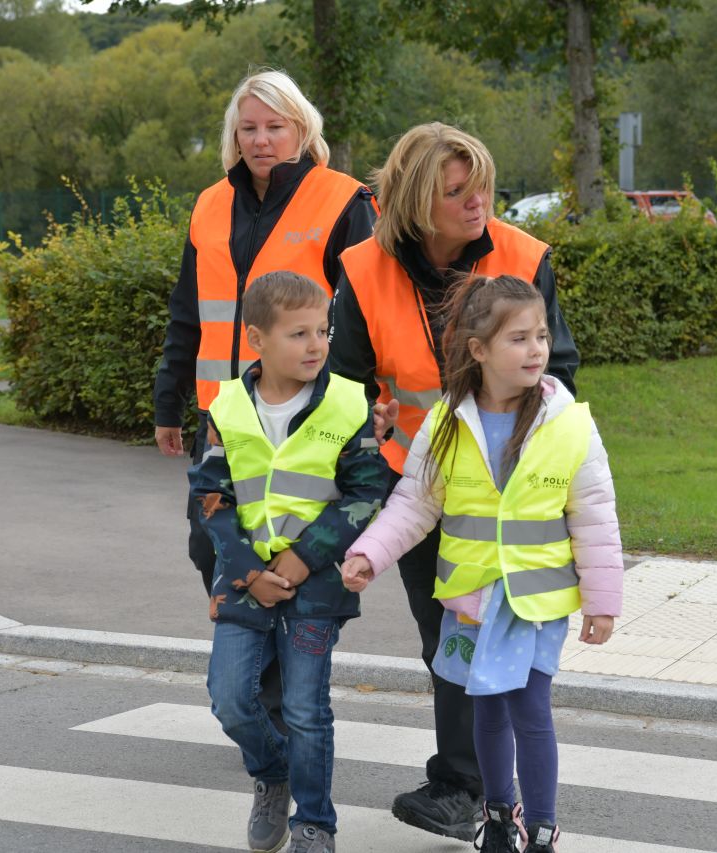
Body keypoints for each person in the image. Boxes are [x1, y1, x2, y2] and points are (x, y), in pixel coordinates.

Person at [327, 122, 580, 840]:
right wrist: (360, 450)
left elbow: (556, 369)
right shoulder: (364, 267)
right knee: (449, 635)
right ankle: (469, 786)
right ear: (414, 201)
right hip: (419, 479)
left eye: (484, 188)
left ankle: (472, 788)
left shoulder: (522, 256)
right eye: (457, 193)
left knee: (488, 636)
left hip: (509, 489)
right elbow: (345, 388)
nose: (479, 205)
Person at [340, 274, 621, 853]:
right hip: (471, 598)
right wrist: (371, 552)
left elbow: (596, 518)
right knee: (485, 706)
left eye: (541, 336)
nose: (536, 349)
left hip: (535, 602)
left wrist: (603, 603)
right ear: (479, 350)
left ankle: (541, 826)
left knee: (529, 708)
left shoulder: (569, 424)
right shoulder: (446, 422)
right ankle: (497, 814)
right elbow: (415, 502)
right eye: (518, 338)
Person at [153, 69, 378, 597]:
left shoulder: (344, 202)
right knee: (209, 545)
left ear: (302, 130)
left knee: (295, 549)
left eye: (274, 127)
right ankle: (252, 668)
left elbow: (360, 320)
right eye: (247, 128)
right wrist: (169, 402)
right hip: (223, 413)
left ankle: (275, 673)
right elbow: (187, 312)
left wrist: (363, 404)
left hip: (304, 414)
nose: (260, 140)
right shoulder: (209, 205)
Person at [190, 271, 388, 853]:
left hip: (318, 584)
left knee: (305, 708)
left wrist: (303, 561)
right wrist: (251, 570)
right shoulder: (225, 407)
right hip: (244, 581)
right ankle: (271, 773)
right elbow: (209, 498)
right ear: (257, 340)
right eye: (298, 333)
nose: (316, 345)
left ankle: (315, 824)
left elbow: (366, 493)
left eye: (322, 331)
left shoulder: (349, 402)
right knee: (229, 699)